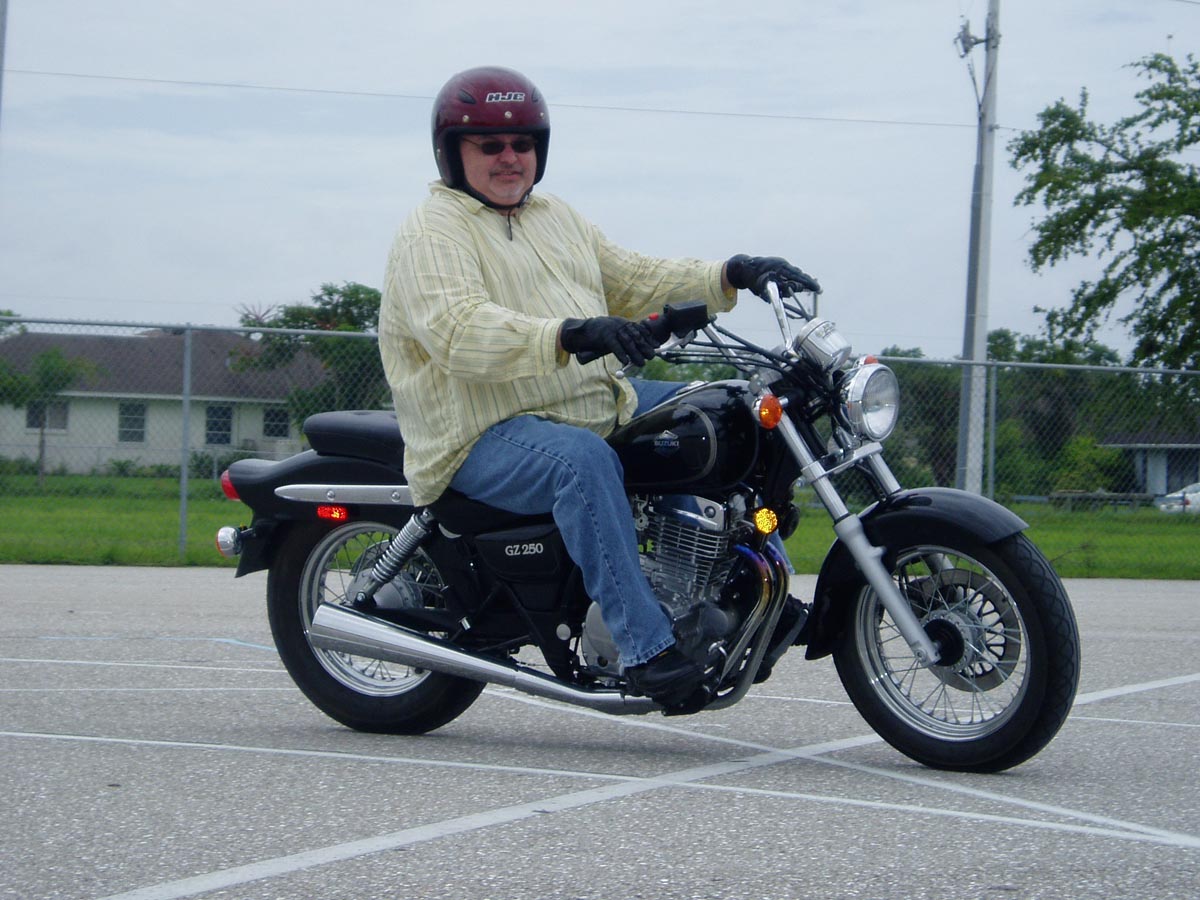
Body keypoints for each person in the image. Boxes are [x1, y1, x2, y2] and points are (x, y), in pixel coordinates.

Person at [378, 66, 815, 707]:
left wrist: (731, 273)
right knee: (582, 463)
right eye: (490, 145)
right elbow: (459, 331)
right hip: (477, 432)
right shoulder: (433, 230)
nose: (509, 157)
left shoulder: (553, 216)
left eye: (522, 143)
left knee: (730, 413)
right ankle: (646, 647)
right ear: (452, 152)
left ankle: (753, 593)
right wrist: (573, 333)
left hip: (589, 402)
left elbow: (633, 277)